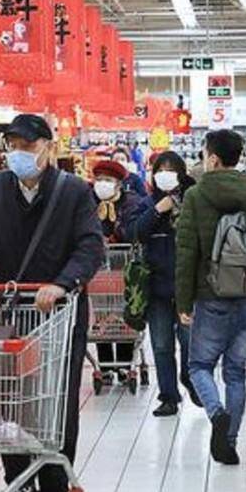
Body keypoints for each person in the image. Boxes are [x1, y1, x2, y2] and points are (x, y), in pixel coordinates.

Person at [0, 113, 106, 492]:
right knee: (8, 402)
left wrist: (62, 284)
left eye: (28, 146)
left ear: (48, 148)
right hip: (8, 315)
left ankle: (53, 479)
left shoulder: (73, 192)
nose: (18, 154)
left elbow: (90, 247)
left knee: (56, 404)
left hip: (59, 316)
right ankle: (16, 478)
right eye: (12, 147)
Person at [176, 129, 246, 465]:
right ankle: (229, 443)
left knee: (199, 366)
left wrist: (183, 303)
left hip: (209, 294)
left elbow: (186, 254)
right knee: (236, 373)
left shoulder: (196, 196)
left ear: (212, 158)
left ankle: (216, 413)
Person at [119, 150, 198, 415]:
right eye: (159, 170)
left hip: (188, 287)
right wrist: (157, 211)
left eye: (170, 169)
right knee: (162, 345)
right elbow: (133, 232)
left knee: (189, 342)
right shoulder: (146, 202)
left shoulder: (193, 201)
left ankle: (190, 379)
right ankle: (168, 396)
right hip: (155, 286)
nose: (164, 175)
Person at [91, 157, 153, 386]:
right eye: (98, 180)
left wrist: (117, 229)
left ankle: (125, 364)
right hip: (98, 271)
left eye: (107, 180)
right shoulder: (89, 202)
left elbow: (135, 231)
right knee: (102, 314)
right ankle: (106, 365)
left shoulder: (133, 203)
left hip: (126, 268)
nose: (102, 184)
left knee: (124, 312)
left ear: (118, 184)